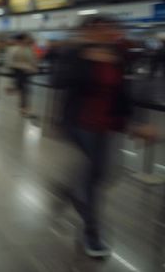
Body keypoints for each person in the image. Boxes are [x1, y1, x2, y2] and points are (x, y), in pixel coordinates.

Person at [53, 15, 156, 258]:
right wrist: (84, 55)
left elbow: (123, 92)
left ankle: (70, 192)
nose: (108, 32)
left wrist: (136, 124)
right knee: (92, 180)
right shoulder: (75, 55)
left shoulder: (118, 57)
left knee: (106, 173)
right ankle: (92, 233)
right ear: (88, 32)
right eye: (100, 29)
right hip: (82, 123)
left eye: (110, 27)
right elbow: (59, 80)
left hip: (109, 124)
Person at [5, 33, 37, 116]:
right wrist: (25, 66)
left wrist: (32, 66)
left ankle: (24, 107)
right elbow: (10, 62)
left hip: (26, 72)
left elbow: (32, 60)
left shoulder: (28, 49)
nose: (28, 40)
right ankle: (24, 108)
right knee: (24, 90)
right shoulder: (13, 49)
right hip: (19, 72)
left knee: (25, 90)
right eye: (26, 39)